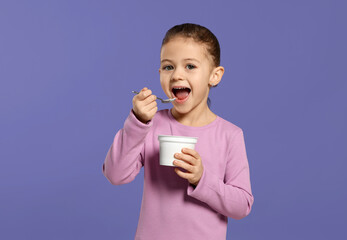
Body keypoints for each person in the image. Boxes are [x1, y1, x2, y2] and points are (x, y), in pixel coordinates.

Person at [103, 23, 254, 240]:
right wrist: (137, 121)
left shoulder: (230, 135)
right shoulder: (150, 125)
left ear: (215, 75)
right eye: (168, 67)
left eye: (190, 66)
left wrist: (202, 178)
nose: (176, 75)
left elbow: (242, 206)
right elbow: (115, 175)